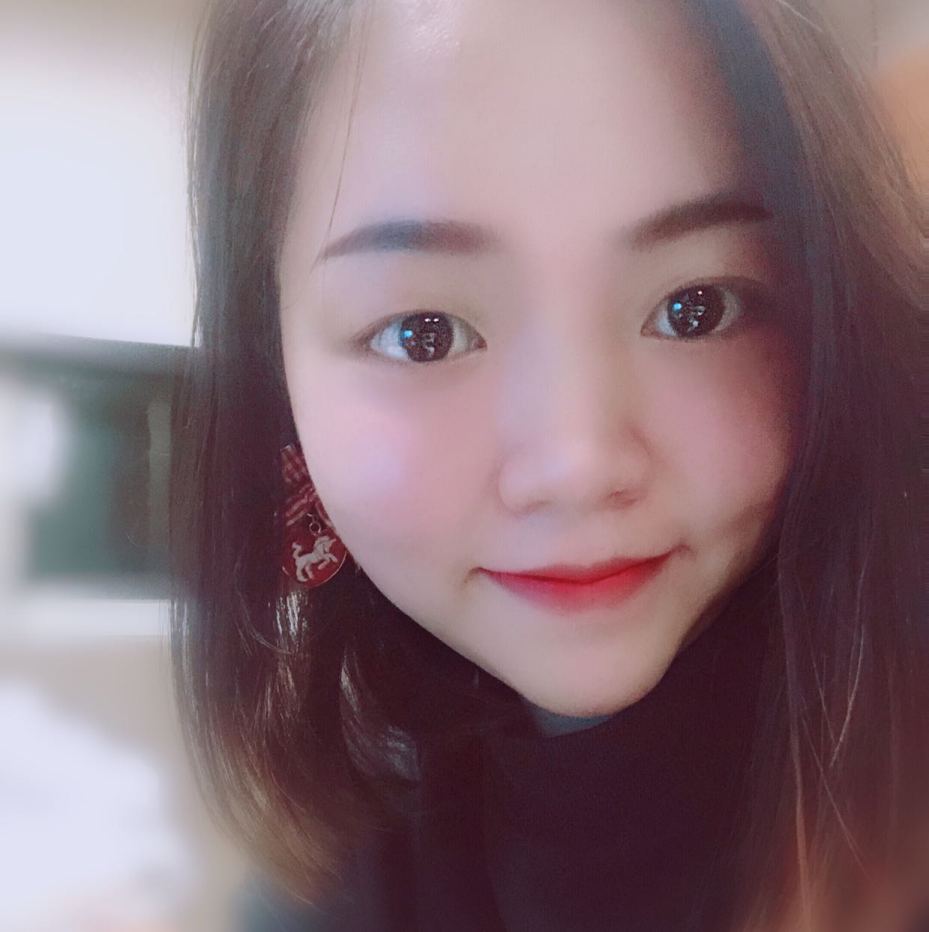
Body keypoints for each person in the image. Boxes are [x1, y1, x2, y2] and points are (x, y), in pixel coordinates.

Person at [170, 0, 929, 929]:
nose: (576, 465)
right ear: (278, 384)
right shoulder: (342, 881)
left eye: (695, 307)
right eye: (423, 333)